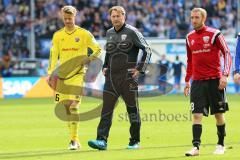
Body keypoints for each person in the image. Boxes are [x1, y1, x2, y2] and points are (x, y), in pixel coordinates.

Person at [88, 6, 151, 150]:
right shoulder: (109, 32)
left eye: (118, 16)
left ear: (124, 16)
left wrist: (140, 69)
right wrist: (105, 65)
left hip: (128, 78)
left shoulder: (132, 32)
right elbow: (109, 52)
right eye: (113, 16)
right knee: (106, 109)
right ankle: (101, 140)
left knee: (132, 109)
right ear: (110, 18)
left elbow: (147, 49)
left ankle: (134, 141)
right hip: (111, 78)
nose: (115, 19)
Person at [46, 5, 101, 150]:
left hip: (77, 74)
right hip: (61, 76)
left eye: (70, 18)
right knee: (65, 108)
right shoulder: (58, 35)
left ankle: (73, 141)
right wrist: (50, 73)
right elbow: (53, 55)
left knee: (74, 105)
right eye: (65, 18)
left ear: (75, 17)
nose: (68, 21)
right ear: (62, 18)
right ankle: (73, 138)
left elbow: (98, 49)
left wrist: (88, 60)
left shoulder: (84, 34)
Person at [184, 8, 231, 156]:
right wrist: (187, 81)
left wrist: (225, 75)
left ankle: (220, 144)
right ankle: (196, 147)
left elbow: (227, 53)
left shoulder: (214, 34)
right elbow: (190, 60)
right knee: (196, 115)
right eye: (192, 17)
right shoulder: (189, 37)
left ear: (203, 18)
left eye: (196, 17)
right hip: (197, 82)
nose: (193, 20)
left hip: (215, 81)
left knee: (218, 114)